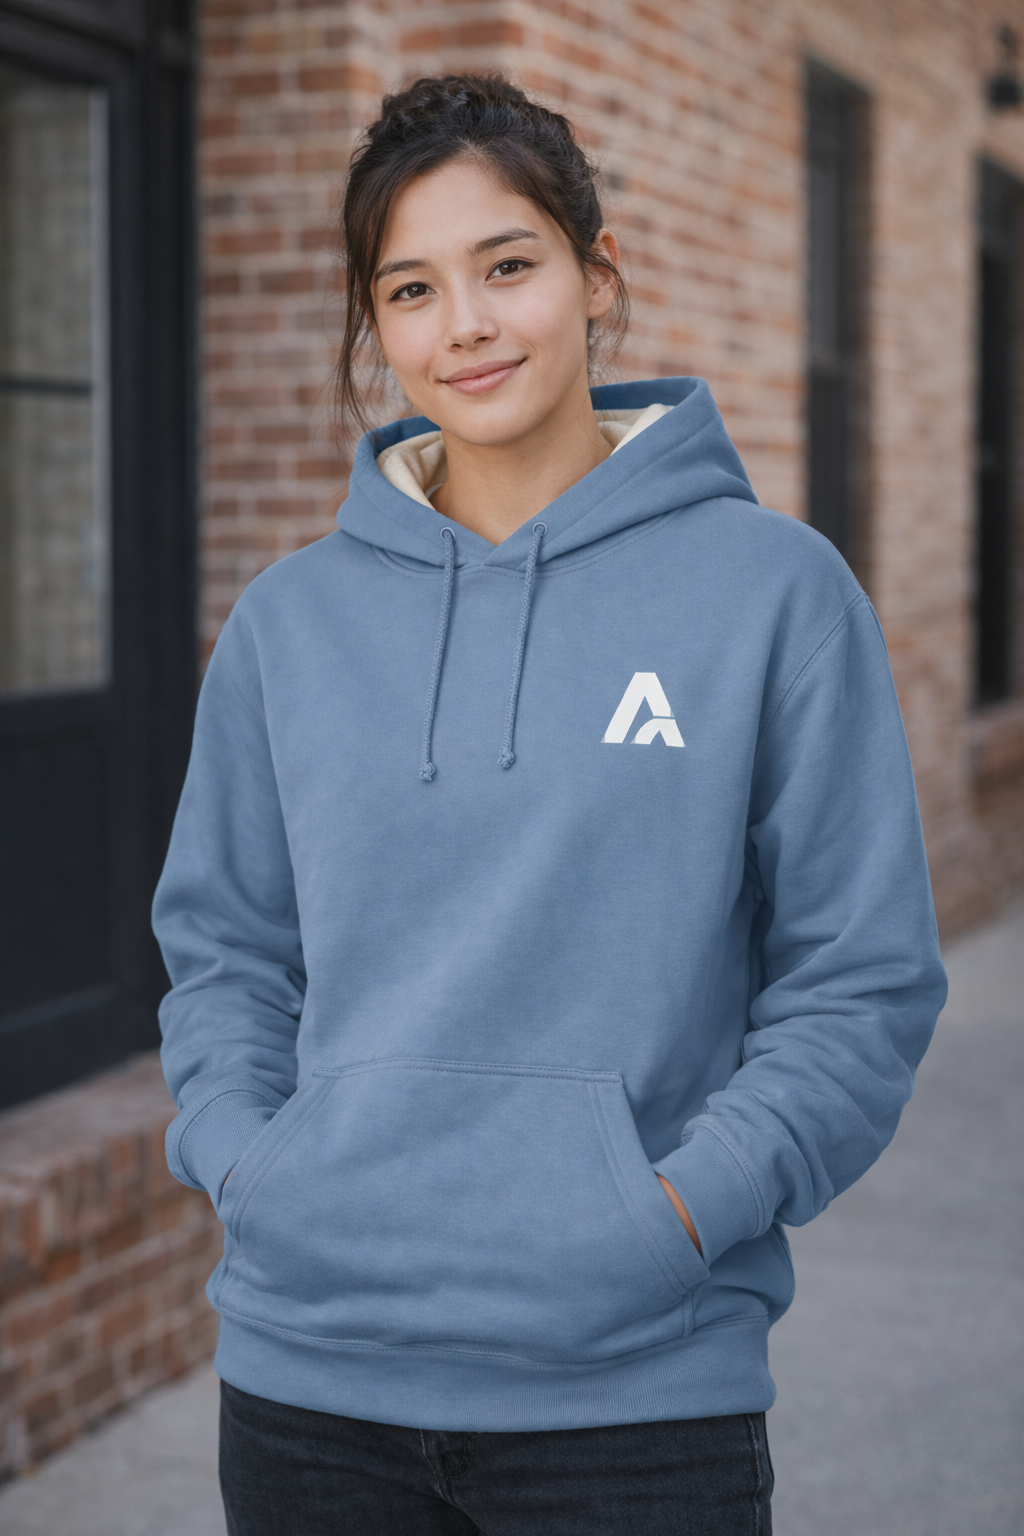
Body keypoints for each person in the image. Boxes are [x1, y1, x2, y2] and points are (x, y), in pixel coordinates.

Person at [153, 73, 947, 1536]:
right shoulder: (288, 624)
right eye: (409, 288)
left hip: (635, 1404)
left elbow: (861, 979)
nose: (463, 325)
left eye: (506, 266)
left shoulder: (773, 596)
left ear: (595, 277)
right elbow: (226, 955)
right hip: (308, 1391)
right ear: (373, 327)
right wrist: (254, 1167)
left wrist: (682, 1216)